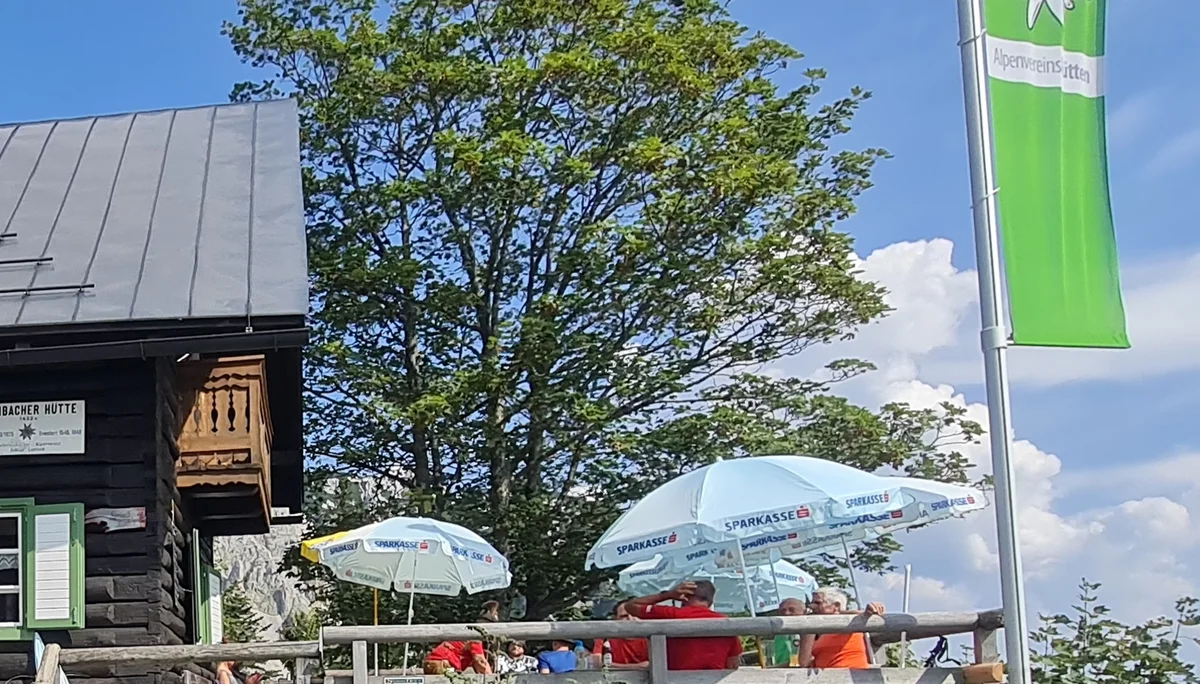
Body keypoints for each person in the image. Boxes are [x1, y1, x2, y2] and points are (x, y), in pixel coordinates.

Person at [626, 580, 742, 670]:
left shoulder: (672, 614)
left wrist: (668, 595)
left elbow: (631, 606)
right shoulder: (726, 622)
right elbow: (732, 663)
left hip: (674, 679)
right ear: (711, 600)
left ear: (684, 596)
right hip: (714, 680)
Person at [796, 587, 885, 670]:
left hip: (853, 677)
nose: (811, 606)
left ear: (836, 606)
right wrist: (809, 627)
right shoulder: (819, 632)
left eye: (817, 603)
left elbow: (862, 615)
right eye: (812, 602)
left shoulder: (849, 622)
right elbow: (804, 663)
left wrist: (872, 608)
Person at [591, 601, 649, 669]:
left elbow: (656, 664)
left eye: (634, 615)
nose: (630, 619)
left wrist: (612, 665)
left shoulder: (650, 637)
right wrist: (637, 666)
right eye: (624, 616)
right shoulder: (604, 636)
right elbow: (597, 664)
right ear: (615, 619)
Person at [768, 597, 807, 668]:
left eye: (792, 610)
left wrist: (772, 668)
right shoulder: (779, 632)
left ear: (804, 612)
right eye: (783, 610)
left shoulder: (806, 633)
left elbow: (795, 663)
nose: (786, 613)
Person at [424, 639, 492, 675]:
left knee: (457, 675)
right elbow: (480, 662)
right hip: (442, 665)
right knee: (455, 678)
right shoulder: (475, 639)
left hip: (431, 664)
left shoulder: (463, 636)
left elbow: (477, 666)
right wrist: (491, 677)